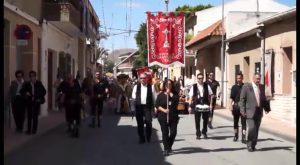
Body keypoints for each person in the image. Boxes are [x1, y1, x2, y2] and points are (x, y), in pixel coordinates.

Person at [239, 73, 271, 152]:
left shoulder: (262, 87)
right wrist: (242, 110)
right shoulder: (246, 87)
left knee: (256, 129)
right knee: (252, 128)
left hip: (258, 111)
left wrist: (267, 108)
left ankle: (253, 144)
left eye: (259, 79)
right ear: (253, 78)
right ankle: (249, 144)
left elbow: (264, 99)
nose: (258, 80)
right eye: (257, 79)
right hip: (249, 111)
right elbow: (242, 99)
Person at [155, 79, 179, 156]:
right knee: (165, 133)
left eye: (170, 84)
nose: (168, 85)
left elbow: (176, 101)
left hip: (173, 116)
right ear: (164, 85)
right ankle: (166, 148)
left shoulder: (175, 94)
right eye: (167, 84)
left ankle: (169, 145)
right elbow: (157, 105)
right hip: (163, 116)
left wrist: (170, 94)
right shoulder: (160, 95)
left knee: (173, 133)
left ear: (172, 85)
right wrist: (164, 110)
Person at [20, 70, 46, 135]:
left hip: (36, 101)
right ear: (29, 77)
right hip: (29, 102)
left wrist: (39, 98)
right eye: (31, 76)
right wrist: (26, 93)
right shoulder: (27, 84)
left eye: (33, 76)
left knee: (35, 116)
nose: (32, 78)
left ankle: (34, 130)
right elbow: (21, 91)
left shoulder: (39, 83)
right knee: (29, 116)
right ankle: (28, 130)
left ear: (35, 77)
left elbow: (44, 91)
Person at [131, 73, 155, 144]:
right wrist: (133, 107)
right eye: (141, 78)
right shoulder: (136, 87)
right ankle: (141, 138)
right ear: (139, 79)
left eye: (144, 78)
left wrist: (154, 108)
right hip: (139, 107)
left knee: (148, 122)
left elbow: (154, 98)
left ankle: (148, 136)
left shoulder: (151, 87)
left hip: (147, 107)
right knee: (140, 123)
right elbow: (133, 97)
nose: (142, 79)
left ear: (147, 78)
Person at [188, 73, 213, 139]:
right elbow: (190, 97)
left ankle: (204, 132)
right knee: (197, 120)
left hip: (205, 104)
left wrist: (211, 104)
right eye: (199, 78)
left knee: (205, 120)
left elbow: (210, 96)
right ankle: (198, 133)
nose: (200, 79)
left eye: (202, 78)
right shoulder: (194, 86)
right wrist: (190, 106)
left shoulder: (207, 86)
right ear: (197, 79)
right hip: (197, 104)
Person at [229, 72, 246, 143]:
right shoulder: (234, 87)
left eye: (239, 78)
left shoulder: (245, 87)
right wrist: (230, 105)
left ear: (242, 78)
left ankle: (244, 137)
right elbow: (231, 97)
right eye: (237, 78)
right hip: (235, 107)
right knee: (235, 122)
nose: (238, 79)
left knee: (243, 123)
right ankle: (236, 135)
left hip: (243, 107)